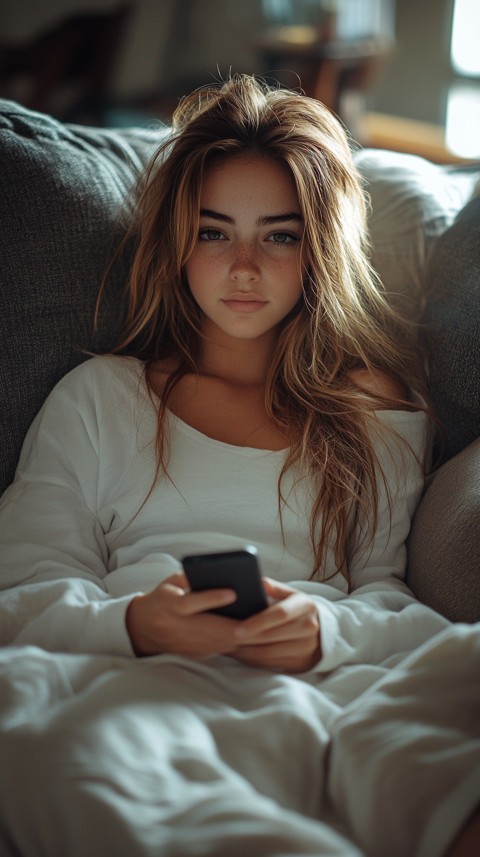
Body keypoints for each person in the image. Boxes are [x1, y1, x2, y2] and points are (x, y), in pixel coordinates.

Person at [0, 74, 478, 857]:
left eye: (279, 235)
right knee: (53, 740)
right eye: (215, 233)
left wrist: (320, 629)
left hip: (333, 682)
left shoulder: (375, 408)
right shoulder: (100, 397)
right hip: (138, 678)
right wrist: (135, 623)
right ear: (178, 243)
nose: (245, 267)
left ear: (317, 245)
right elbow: (16, 596)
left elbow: (388, 598)